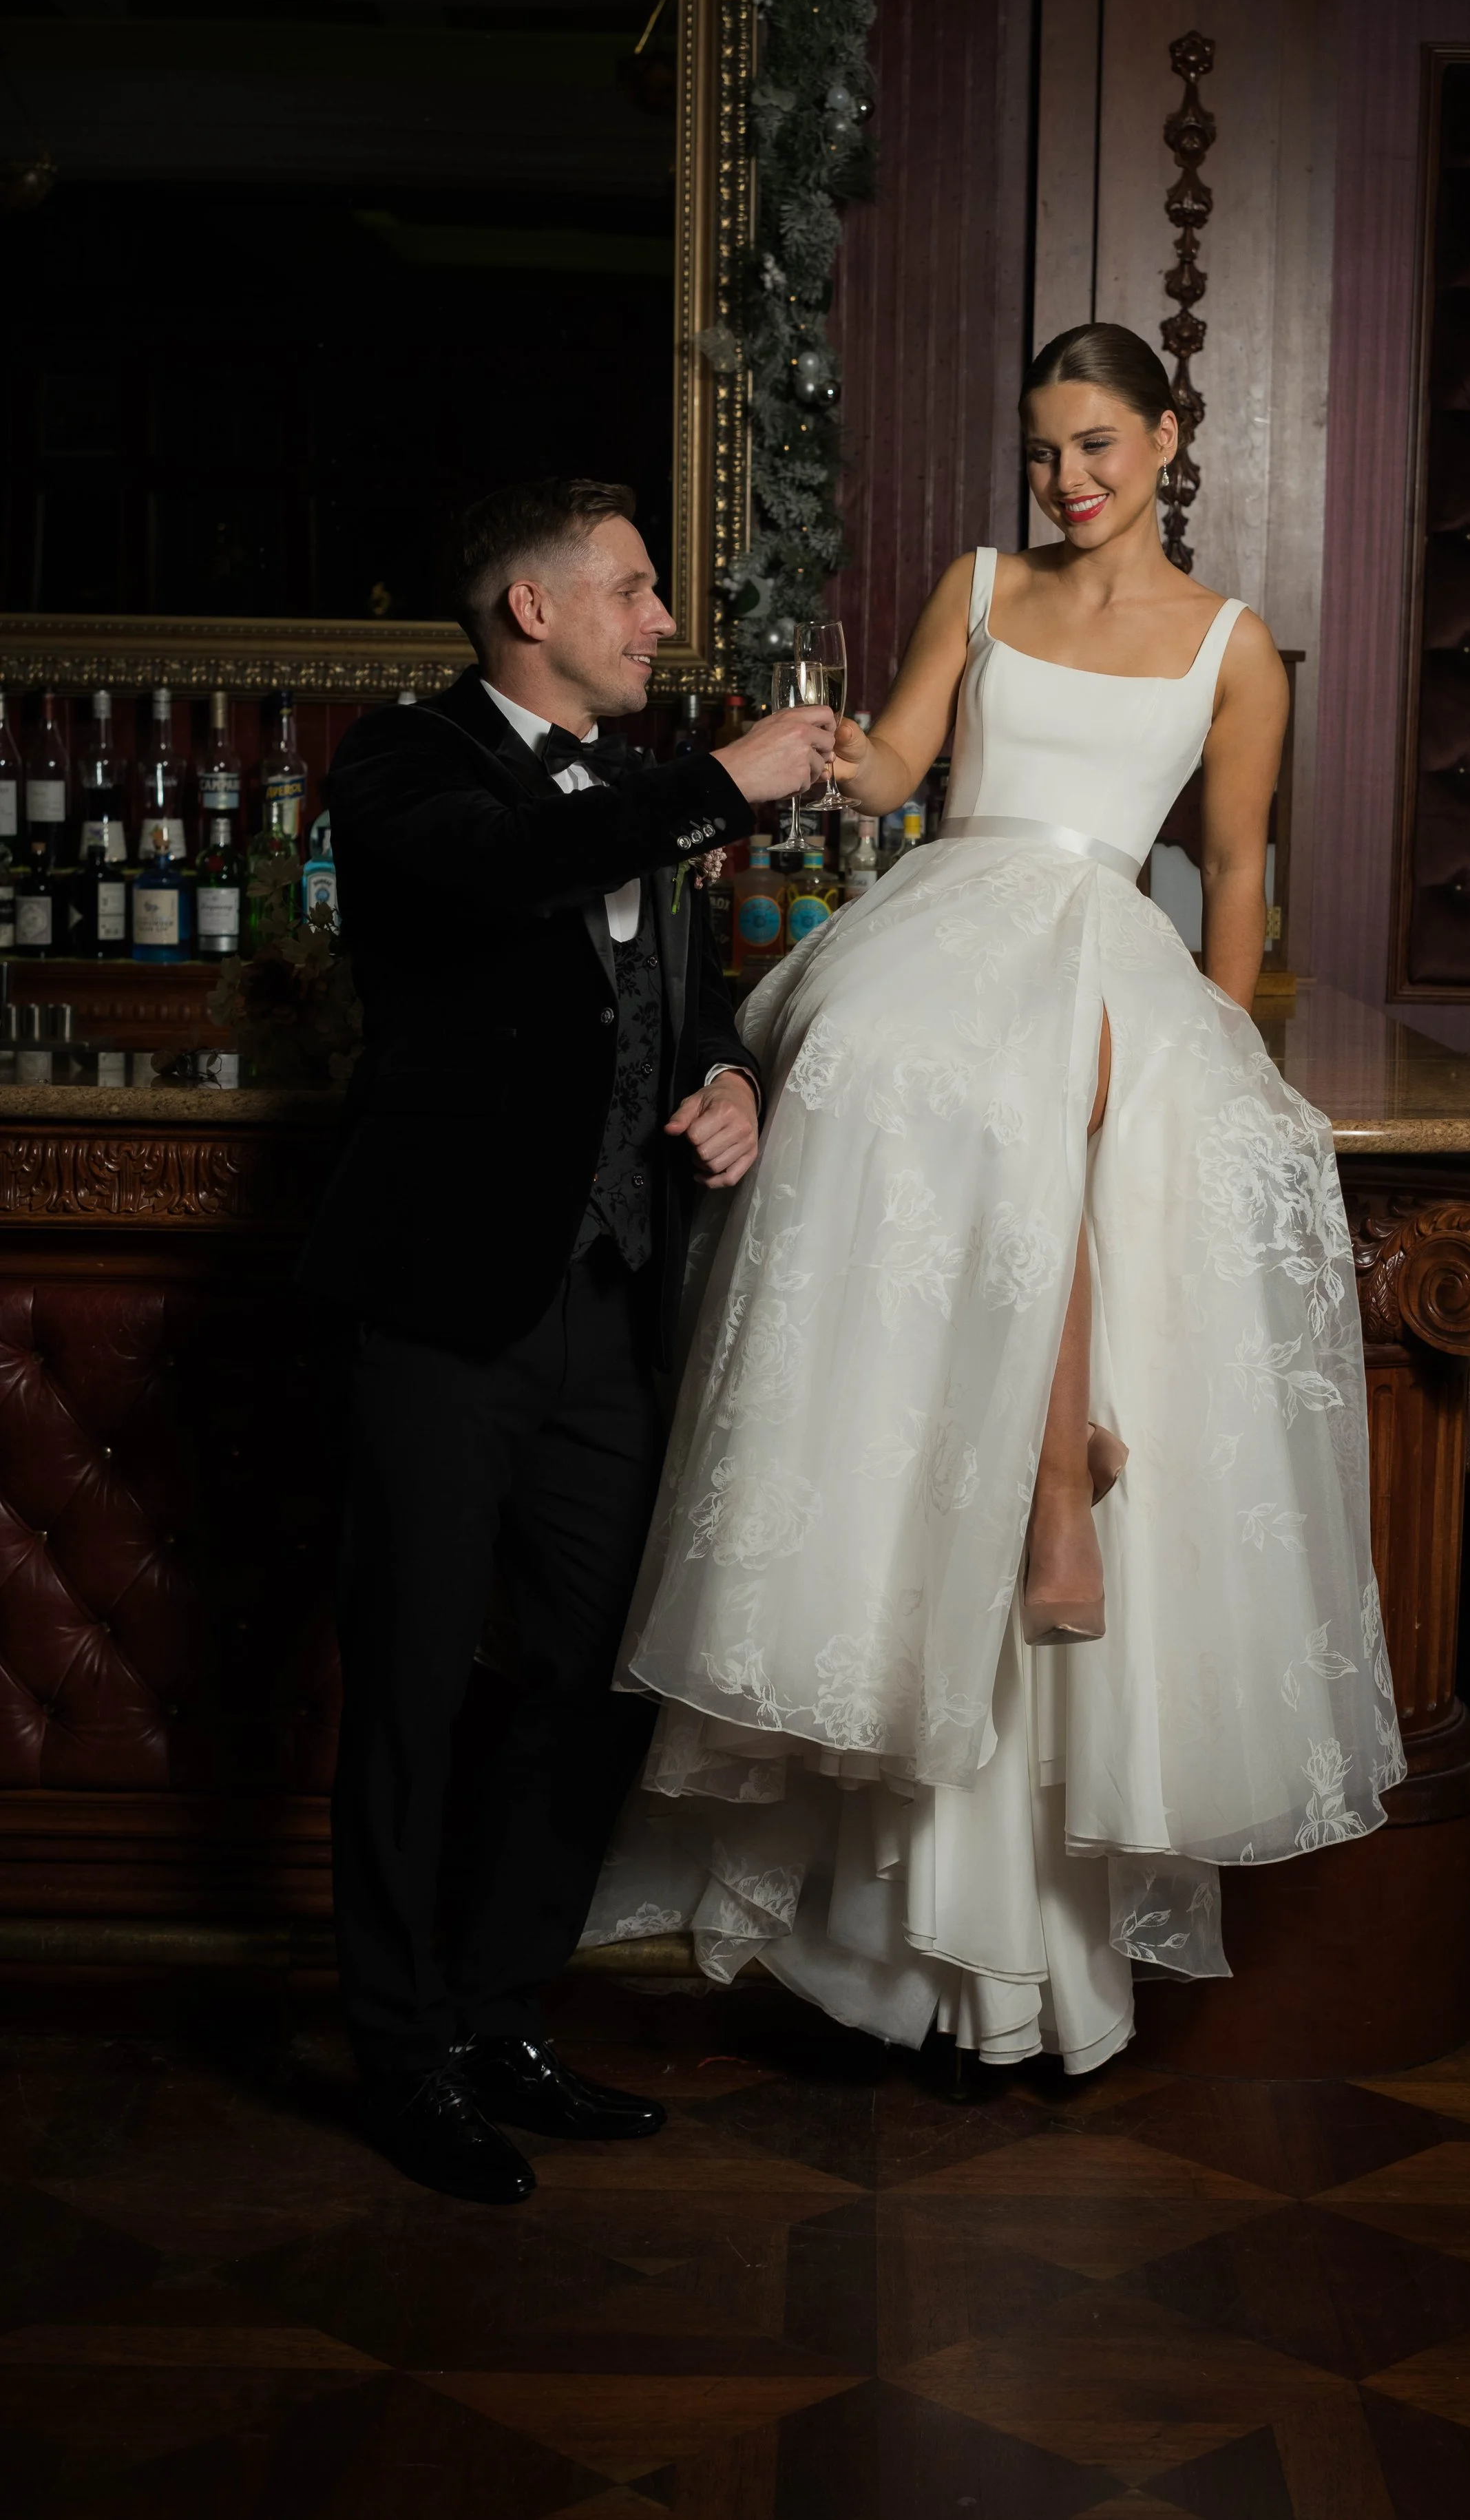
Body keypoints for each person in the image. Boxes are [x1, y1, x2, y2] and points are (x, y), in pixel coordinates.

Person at [587, 327, 1405, 2075]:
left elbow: (1240, 868)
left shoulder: (1232, 650)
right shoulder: (975, 583)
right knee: (922, 1078)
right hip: (953, 921)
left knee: (1078, 1084)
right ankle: (1055, 1477)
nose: (1068, 481)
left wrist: (1226, 1048)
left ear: (1168, 437)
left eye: (1098, 445)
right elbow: (898, 770)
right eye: (1043, 452)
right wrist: (818, 753)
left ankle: (1052, 1488)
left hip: (1110, 946)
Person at [297, 476, 833, 2199]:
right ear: (534, 610)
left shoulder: (625, 795)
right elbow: (510, 873)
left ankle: (496, 2014)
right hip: (444, 1316)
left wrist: (731, 1080)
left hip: (605, 1314)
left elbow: (669, 1009)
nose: (659, 620)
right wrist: (714, 785)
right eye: (633, 589)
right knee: (405, 1688)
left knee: (599, 1680)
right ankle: (396, 2056)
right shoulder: (402, 767)